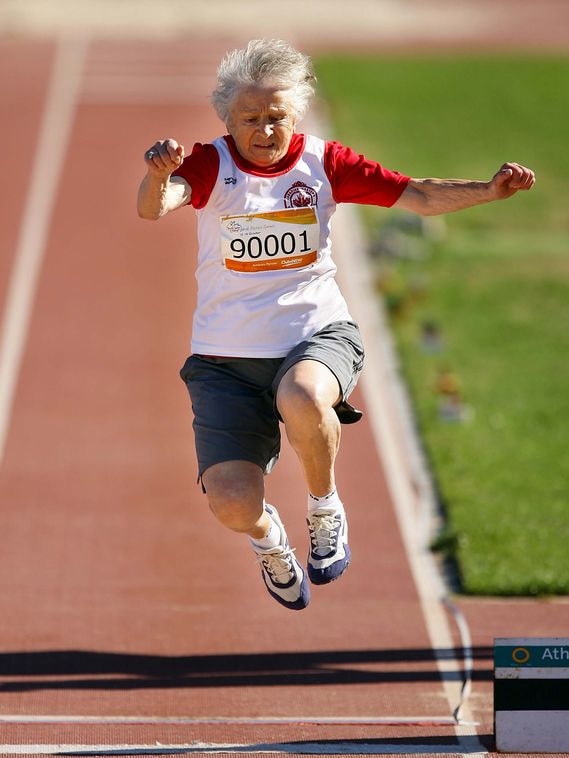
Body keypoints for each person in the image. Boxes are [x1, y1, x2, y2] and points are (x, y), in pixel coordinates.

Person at [137, 39, 535, 611]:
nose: (266, 129)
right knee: (231, 504)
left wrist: (490, 191)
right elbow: (156, 205)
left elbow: (417, 194)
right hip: (225, 360)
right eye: (251, 119)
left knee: (302, 395)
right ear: (228, 119)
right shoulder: (209, 164)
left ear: (295, 115)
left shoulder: (323, 163)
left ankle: (325, 507)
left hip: (315, 334)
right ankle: (268, 538)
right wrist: (158, 175)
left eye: (277, 117)